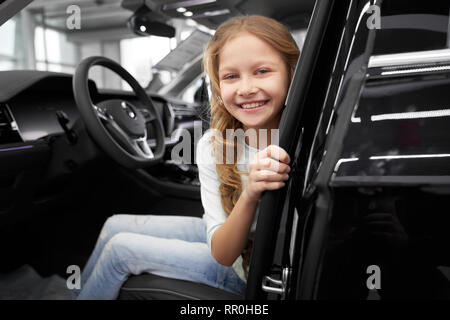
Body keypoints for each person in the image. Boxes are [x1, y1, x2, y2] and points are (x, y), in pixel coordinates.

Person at [73, 15, 300, 300]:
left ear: (293, 73)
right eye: (231, 76)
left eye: (262, 71)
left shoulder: (304, 142)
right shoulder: (212, 144)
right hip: (233, 239)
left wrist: (251, 193)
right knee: (113, 224)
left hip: (248, 268)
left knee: (121, 249)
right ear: (218, 85)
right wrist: (249, 193)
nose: (246, 88)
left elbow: (224, 256)